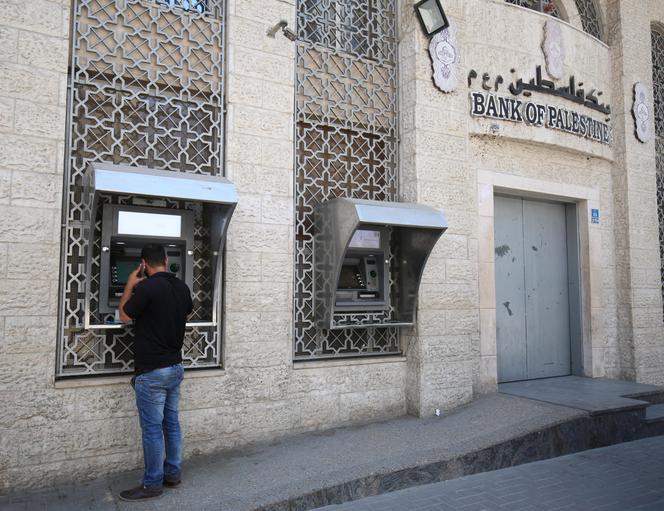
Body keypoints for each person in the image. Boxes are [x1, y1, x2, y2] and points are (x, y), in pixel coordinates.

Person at [117, 243, 193, 502]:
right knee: (171, 423)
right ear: (166, 259)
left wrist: (129, 284)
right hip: (176, 367)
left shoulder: (147, 287)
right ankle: (172, 472)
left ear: (143, 265)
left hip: (153, 372)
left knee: (152, 429)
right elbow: (183, 312)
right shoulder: (182, 287)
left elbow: (125, 316)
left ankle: (152, 484)